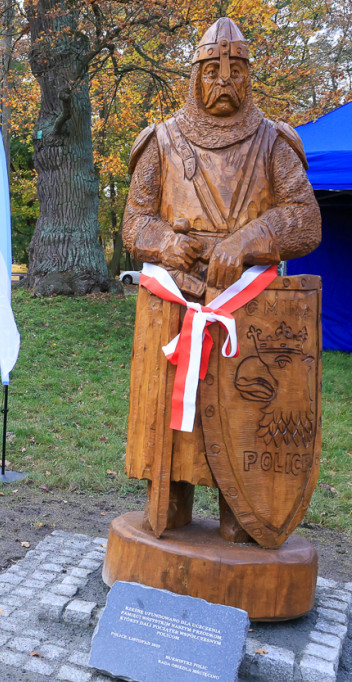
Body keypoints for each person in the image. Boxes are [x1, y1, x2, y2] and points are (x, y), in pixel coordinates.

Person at [122, 17, 321, 537]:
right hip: (175, 300)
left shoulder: (273, 143)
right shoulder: (162, 142)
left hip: (245, 306)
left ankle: (242, 506)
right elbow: (134, 222)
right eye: (212, 70)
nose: (224, 82)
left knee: (241, 412)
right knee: (170, 419)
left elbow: (305, 219)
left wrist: (248, 240)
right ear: (195, 76)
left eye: (235, 70)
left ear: (249, 76)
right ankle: (170, 496)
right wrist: (166, 242)